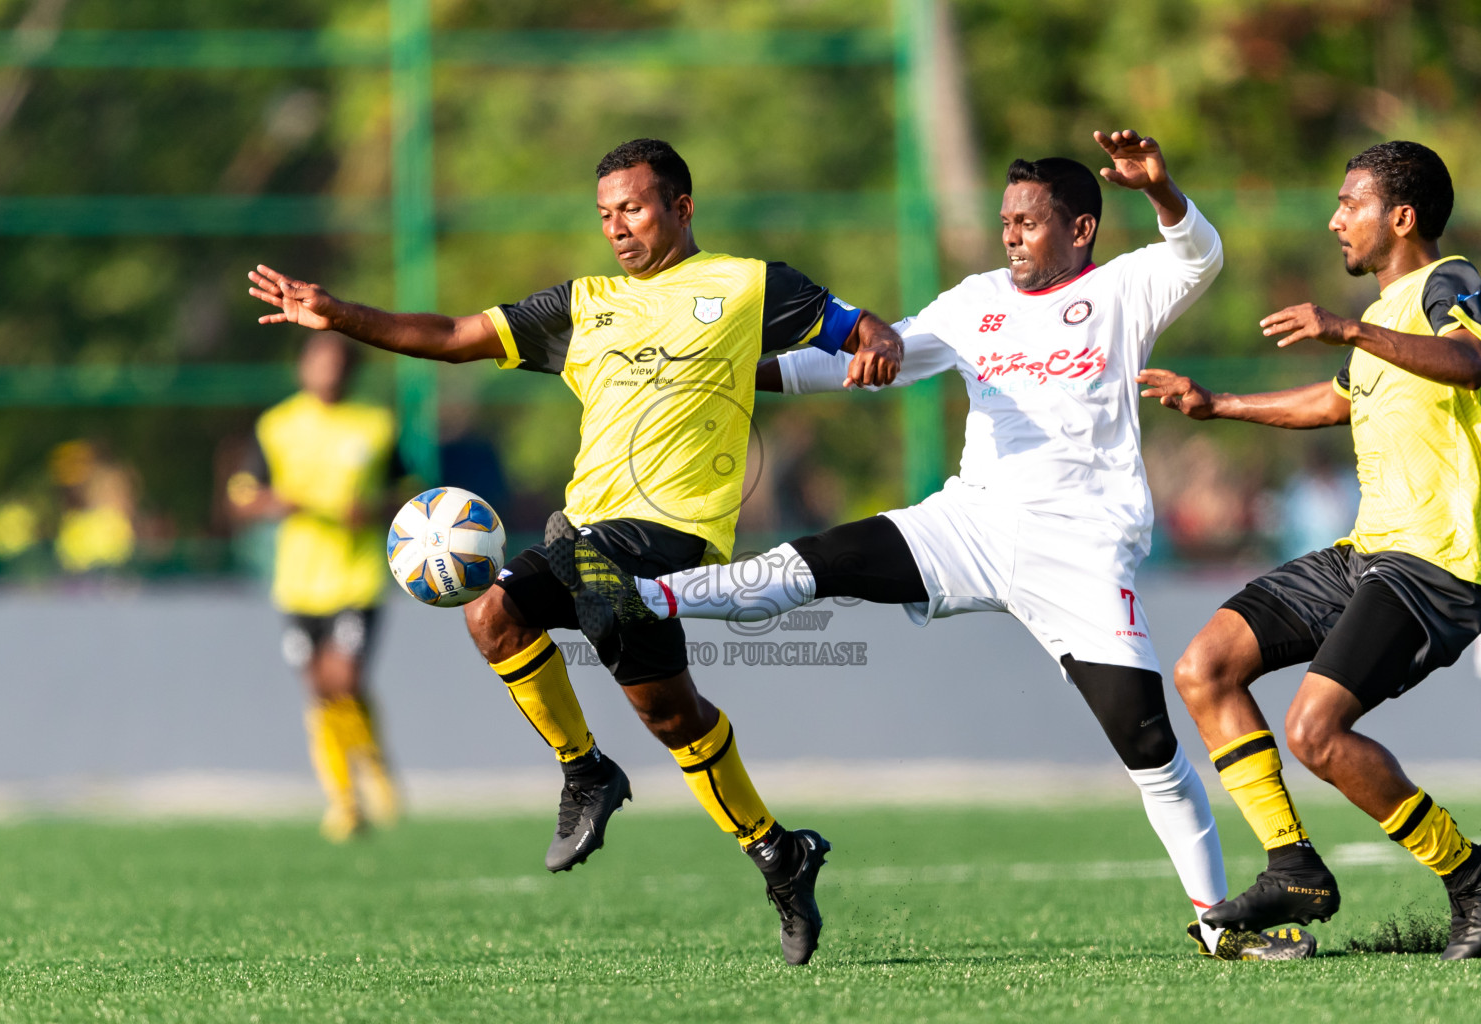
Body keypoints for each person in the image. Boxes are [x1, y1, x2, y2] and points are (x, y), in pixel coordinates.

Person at [561, 131, 1312, 960]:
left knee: (1150, 748)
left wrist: (1164, 189)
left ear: (1082, 229)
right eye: (1005, 220)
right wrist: (725, 366)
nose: (1011, 235)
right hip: (971, 524)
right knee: (818, 563)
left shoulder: (1126, 289)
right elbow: (854, 358)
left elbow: (1198, 254)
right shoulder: (974, 301)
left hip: (1082, 551)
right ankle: (638, 593)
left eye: (1028, 221)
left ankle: (1218, 930)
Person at [246, 138, 903, 965]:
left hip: (672, 534)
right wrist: (340, 313)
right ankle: (765, 846)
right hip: (594, 531)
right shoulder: (584, 302)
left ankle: (598, 764)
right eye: (604, 215)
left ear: (681, 206)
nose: (617, 228)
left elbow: (857, 325)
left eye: (632, 208)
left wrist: (878, 345)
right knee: (607, 680)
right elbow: (453, 334)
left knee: (571, 559)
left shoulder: (747, 285)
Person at [1138, 140, 1481, 960]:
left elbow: (1474, 361)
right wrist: (1218, 404)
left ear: (1401, 217)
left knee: (1317, 732)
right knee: (1204, 667)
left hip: (1438, 564)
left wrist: (1348, 326)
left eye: (1349, 204)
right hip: (1369, 550)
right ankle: (1293, 867)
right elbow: (1332, 403)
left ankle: (1470, 880)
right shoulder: (1380, 330)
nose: (1335, 220)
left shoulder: (1449, 283)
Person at [229, 335, 403, 842]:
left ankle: (371, 770)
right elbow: (242, 495)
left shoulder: (376, 424)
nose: (328, 371)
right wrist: (273, 503)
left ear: (351, 370)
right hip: (299, 581)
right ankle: (344, 799)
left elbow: (408, 491)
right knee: (321, 689)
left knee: (344, 678)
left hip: (357, 576)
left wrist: (370, 511)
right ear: (303, 367)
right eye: (318, 361)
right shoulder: (277, 425)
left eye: (337, 362)